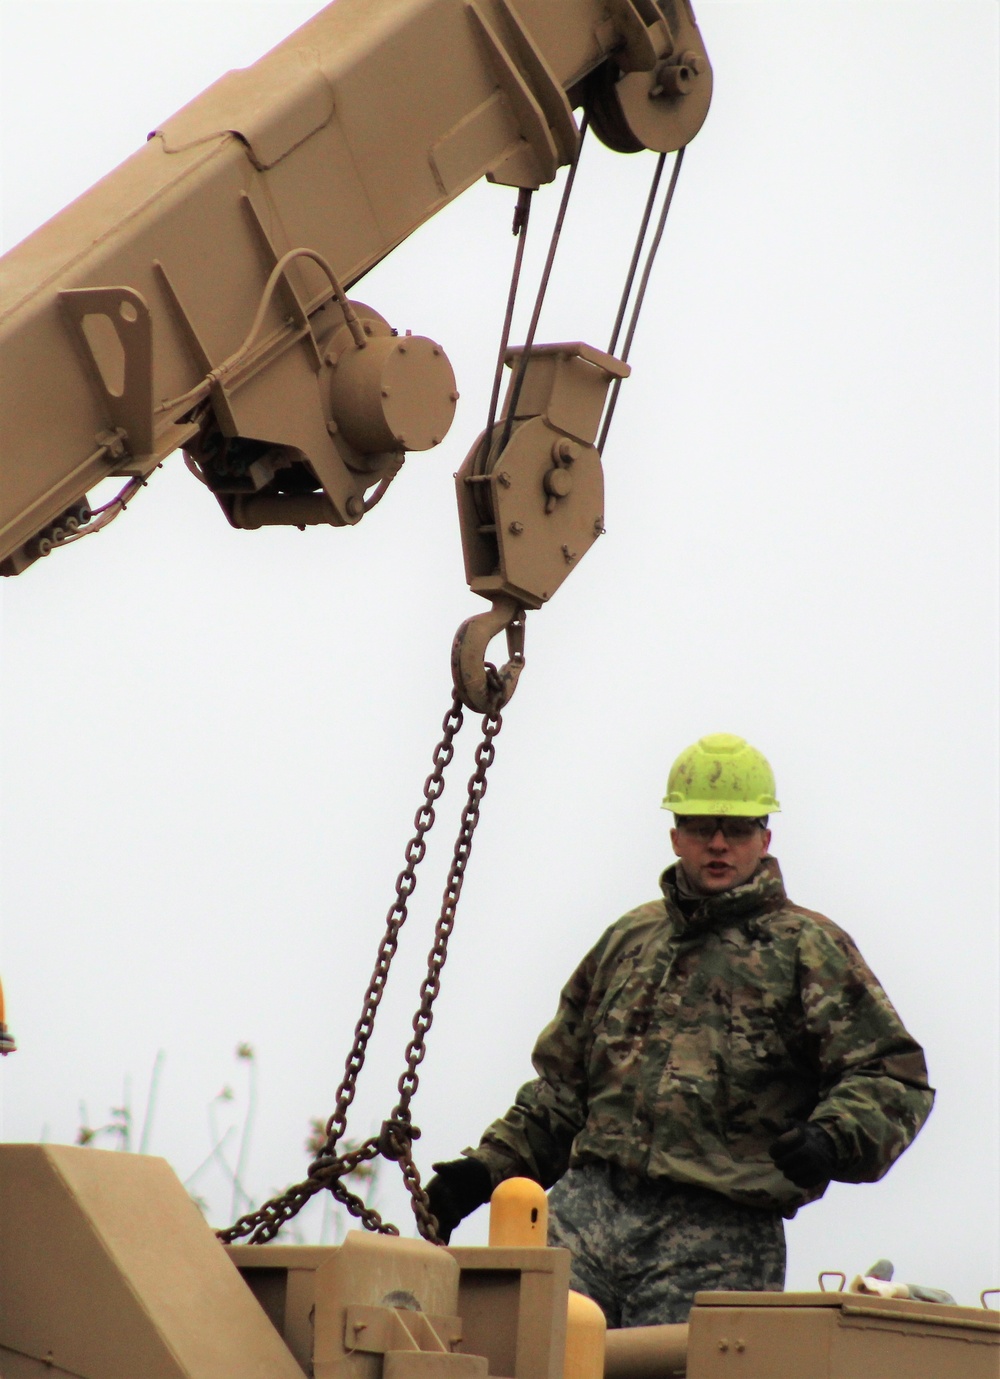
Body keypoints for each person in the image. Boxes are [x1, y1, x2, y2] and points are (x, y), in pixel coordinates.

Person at [425, 733, 934, 1327]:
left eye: (736, 829)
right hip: (585, 1219)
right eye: (699, 826)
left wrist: (833, 1137)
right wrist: (484, 1171)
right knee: (531, 1355)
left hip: (718, 1233)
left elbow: (892, 1077)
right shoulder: (629, 941)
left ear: (765, 838)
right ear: (675, 836)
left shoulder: (808, 949)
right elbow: (562, 1095)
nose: (718, 843)